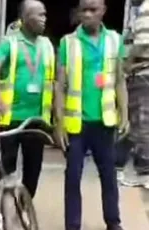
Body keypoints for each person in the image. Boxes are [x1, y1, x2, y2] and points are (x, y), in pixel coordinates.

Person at [55, 0, 128, 229]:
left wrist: (124, 113)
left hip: (105, 122)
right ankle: (72, 225)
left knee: (109, 176)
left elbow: (119, 81)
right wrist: (58, 124)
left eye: (93, 10)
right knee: (73, 178)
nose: (87, 15)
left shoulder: (115, 40)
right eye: (83, 10)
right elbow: (60, 85)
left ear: (103, 11)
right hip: (76, 124)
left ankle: (113, 222)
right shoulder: (68, 43)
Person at [0, 0, 54, 198]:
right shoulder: (10, 43)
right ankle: (1, 210)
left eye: (45, 14)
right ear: (24, 19)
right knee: (6, 167)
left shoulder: (48, 45)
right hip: (11, 118)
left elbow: (55, 82)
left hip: (37, 119)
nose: (44, 19)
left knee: (33, 168)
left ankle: (25, 205)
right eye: (39, 15)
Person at [118, 0, 149, 189]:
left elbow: (142, 44)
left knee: (141, 123)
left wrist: (127, 64)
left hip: (143, 73)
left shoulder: (146, 9)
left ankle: (143, 172)